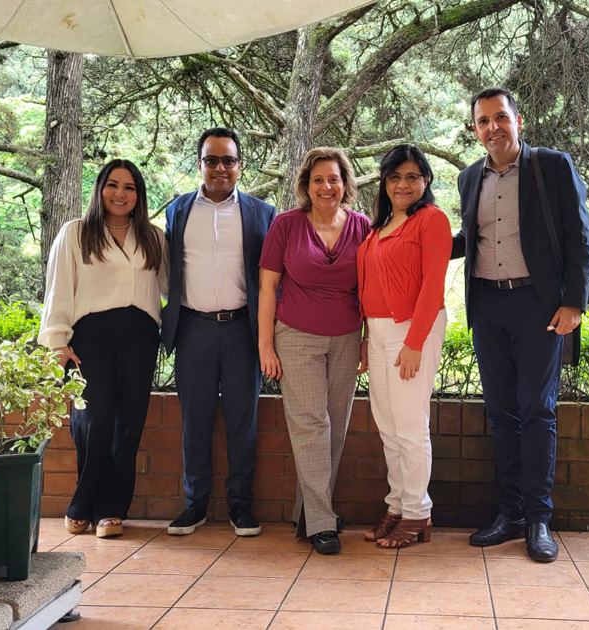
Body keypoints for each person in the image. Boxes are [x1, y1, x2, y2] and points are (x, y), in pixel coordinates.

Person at [452, 87, 589, 562]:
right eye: (482, 122)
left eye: (499, 118)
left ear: (517, 119)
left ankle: (538, 519)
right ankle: (509, 511)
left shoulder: (551, 166)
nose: (492, 128)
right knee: (500, 413)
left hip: (538, 307)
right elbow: (467, 238)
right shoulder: (468, 177)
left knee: (537, 411)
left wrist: (574, 303)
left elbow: (579, 237)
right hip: (487, 308)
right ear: (475, 130)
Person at [39, 159, 167, 539]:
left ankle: (112, 508)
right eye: (113, 185)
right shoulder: (76, 233)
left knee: (128, 424)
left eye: (129, 187)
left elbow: (171, 287)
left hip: (140, 336)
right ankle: (83, 501)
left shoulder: (154, 237)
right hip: (89, 335)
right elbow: (58, 289)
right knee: (94, 420)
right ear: (99, 189)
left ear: (139, 195)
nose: (120, 194)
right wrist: (58, 342)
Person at [162, 128, 276, 537]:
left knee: (243, 421)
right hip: (193, 330)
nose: (220, 168)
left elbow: (273, 278)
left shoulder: (263, 213)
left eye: (228, 160)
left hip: (243, 331)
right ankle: (194, 505)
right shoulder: (176, 211)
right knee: (195, 421)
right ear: (200, 165)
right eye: (212, 160)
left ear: (240, 166)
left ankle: (240, 506)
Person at [258, 147, 370, 555]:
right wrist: (265, 344)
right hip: (296, 337)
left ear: (346, 184)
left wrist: (368, 339)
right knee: (311, 426)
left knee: (335, 426)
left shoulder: (362, 227)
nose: (327, 187)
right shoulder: (286, 225)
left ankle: (307, 513)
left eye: (335, 179)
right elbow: (267, 288)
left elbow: (370, 290)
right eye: (319, 179)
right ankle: (323, 523)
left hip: (345, 336)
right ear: (306, 184)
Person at [357, 144, 451, 549]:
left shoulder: (432, 221)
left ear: (425, 181)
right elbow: (369, 287)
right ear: (384, 182)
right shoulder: (379, 225)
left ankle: (417, 512)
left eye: (412, 176)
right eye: (395, 177)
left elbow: (433, 287)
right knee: (389, 427)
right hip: (377, 332)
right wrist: (365, 337)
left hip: (414, 329)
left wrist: (414, 343)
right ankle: (397, 506)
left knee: (411, 428)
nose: (403, 184)